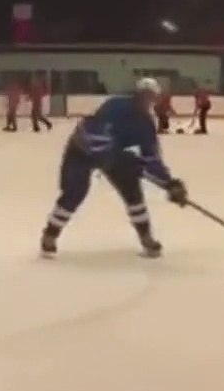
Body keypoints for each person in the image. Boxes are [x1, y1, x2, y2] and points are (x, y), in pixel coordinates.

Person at [40, 77, 188, 258]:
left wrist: (169, 183)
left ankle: (146, 236)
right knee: (74, 192)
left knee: (133, 192)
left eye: (152, 97)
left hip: (113, 156)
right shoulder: (115, 107)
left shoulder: (145, 125)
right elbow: (95, 139)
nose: (148, 100)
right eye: (145, 95)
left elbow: (151, 159)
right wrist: (120, 158)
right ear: (138, 94)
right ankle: (50, 235)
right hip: (80, 151)